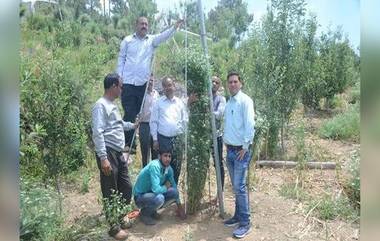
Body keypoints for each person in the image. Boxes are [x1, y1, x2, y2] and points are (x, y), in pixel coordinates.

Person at [117, 16, 183, 153]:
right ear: (136, 25)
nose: (144, 26)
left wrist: (175, 26)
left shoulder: (151, 40)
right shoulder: (127, 41)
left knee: (141, 114)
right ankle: (129, 144)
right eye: (141, 23)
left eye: (146, 24)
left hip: (143, 84)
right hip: (128, 82)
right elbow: (121, 59)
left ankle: (149, 141)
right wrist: (119, 77)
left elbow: (164, 36)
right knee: (129, 112)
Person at [92, 73, 138, 240]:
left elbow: (118, 126)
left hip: (119, 153)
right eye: (121, 86)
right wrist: (103, 157)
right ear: (113, 86)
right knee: (110, 190)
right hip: (109, 153)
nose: (122, 89)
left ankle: (121, 216)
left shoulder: (112, 105)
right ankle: (114, 227)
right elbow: (97, 133)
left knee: (126, 187)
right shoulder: (100, 106)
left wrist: (133, 125)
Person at [222, 71, 255, 239]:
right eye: (230, 82)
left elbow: (250, 124)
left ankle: (245, 223)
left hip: (241, 151)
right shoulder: (229, 103)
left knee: (239, 187)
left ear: (241, 83)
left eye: (235, 81)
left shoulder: (245, 101)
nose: (232, 84)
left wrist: (246, 145)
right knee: (236, 187)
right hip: (231, 151)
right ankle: (237, 216)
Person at [150, 77, 188, 184]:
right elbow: (153, 122)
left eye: (170, 85)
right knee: (164, 166)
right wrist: (155, 139)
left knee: (177, 166)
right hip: (163, 140)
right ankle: (163, 192)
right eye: (165, 86)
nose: (168, 88)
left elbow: (185, 120)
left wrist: (184, 139)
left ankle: (173, 192)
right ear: (163, 88)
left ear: (174, 86)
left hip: (177, 139)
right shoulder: (158, 103)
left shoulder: (179, 103)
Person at [133, 149, 186, 225]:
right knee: (160, 198)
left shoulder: (169, 169)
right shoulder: (155, 166)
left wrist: (179, 207)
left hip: (152, 194)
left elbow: (174, 187)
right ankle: (144, 214)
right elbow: (156, 189)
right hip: (140, 196)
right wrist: (165, 187)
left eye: (169, 156)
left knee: (174, 192)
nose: (167, 159)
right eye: (165, 156)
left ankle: (152, 211)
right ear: (159, 156)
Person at [138, 74, 160, 168]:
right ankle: (145, 173)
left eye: (152, 80)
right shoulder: (141, 95)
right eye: (148, 80)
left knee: (156, 151)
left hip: (155, 126)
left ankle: (155, 173)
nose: (150, 82)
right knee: (145, 152)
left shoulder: (157, 94)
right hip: (144, 125)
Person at [211, 76, 226, 192]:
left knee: (218, 164)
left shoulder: (221, 99)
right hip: (204, 137)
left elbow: (219, 114)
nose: (214, 84)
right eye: (212, 81)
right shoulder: (203, 97)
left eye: (217, 82)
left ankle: (220, 192)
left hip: (216, 136)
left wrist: (207, 111)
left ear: (219, 86)